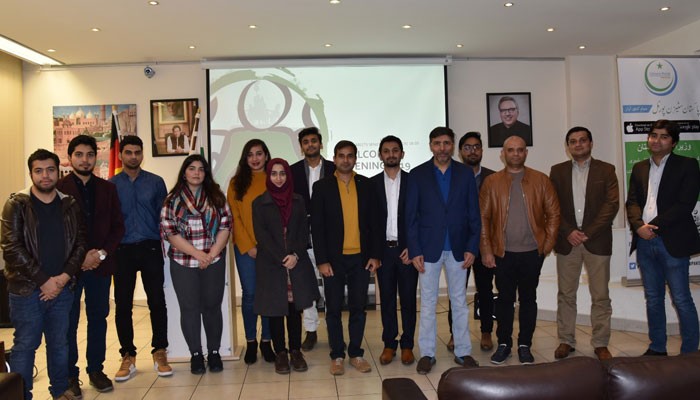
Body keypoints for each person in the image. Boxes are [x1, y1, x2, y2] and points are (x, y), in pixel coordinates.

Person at [2, 149, 87, 400]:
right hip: (26, 290)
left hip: (62, 289)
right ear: (31, 174)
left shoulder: (70, 204)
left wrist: (62, 278)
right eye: (38, 171)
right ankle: (21, 395)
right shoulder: (16, 204)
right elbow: (11, 247)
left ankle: (59, 392)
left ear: (58, 172)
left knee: (59, 343)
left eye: (50, 170)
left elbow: (80, 243)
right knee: (26, 345)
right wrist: (44, 281)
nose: (45, 176)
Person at [406, 127, 481, 375]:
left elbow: (474, 213)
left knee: (459, 302)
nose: (442, 148)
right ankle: (427, 354)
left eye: (447, 143)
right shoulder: (417, 174)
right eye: (437, 143)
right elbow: (411, 217)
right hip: (428, 249)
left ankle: (463, 351)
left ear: (452, 145)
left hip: (459, 248)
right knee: (428, 303)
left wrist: (472, 247)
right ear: (430, 145)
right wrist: (415, 249)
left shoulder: (465, 174)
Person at [480, 135, 560, 365]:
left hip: (532, 253)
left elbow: (554, 214)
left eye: (520, 150)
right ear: (503, 154)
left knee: (528, 300)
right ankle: (504, 343)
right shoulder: (492, 182)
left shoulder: (541, 180)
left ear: (526, 153)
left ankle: (525, 344)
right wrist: (486, 250)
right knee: (504, 300)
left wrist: (546, 246)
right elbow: (483, 218)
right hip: (502, 253)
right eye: (511, 150)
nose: (515, 154)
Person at [57, 135, 125, 395]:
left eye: (89, 155)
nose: (85, 160)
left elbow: (118, 226)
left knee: (98, 318)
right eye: (79, 155)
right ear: (70, 157)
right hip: (69, 269)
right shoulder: (59, 188)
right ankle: (70, 375)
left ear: (96, 157)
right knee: (69, 322)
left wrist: (102, 254)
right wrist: (81, 257)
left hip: (100, 266)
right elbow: (56, 232)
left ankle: (96, 369)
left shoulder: (108, 188)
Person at [626, 119, 700, 355]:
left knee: (681, 298)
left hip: (672, 241)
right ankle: (657, 347)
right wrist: (639, 227)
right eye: (653, 135)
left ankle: (690, 352)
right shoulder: (639, 167)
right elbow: (632, 202)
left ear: (674, 142)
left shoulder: (687, 165)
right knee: (653, 298)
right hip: (644, 241)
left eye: (664, 136)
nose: (657, 140)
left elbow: (685, 204)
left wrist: (653, 226)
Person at [311, 140, 383, 375]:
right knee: (332, 308)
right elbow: (317, 227)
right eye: (341, 155)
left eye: (350, 155)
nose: (345, 160)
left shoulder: (366, 185)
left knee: (358, 308)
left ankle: (355, 353)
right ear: (334, 159)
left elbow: (375, 224)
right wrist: (321, 260)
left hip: (361, 259)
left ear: (355, 158)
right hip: (333, 260)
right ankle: (337, 355)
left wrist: (375, 255)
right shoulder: (322, 187)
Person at [549, 127, 619, 361]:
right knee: (566, 294)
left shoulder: (606, 170)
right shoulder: (557, 171)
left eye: (582, 140)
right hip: (567, 241)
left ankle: (601, 343)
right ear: (567, 146)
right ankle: (566, 340)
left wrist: (587, 232)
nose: (577, 144)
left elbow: (611, 205)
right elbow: (552, 206)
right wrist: (569, 231)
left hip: (596, 241)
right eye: (573, 141)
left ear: (591, 143)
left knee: (601, 295)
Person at [160, 154, 232, 373]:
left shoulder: (217, 197)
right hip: (183, 262)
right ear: (184, 172)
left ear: (206, 173)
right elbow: (170, 233)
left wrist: (210, 255)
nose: (197, 173)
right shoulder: (172, 200)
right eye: (192, 168)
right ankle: (196, 354)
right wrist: (198, 255)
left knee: (212, 307)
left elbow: (226, 226)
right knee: (190, 309)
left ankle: (214, 352)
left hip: (214, 260)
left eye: (201, 169)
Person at [110, 135, 171, 381]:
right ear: (121, 155)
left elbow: (164, 216)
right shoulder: (111, 185)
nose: (133, 156)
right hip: (122, 250)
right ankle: (128, 354)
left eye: (137, 152)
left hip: (150, 247)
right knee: (123, 304)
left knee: (157, 301)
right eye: (128, 152)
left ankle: (160, 350)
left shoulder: (156, 182)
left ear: (142, 154)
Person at [252, 158, 320, 374]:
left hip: (295, 262)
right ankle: (280, 353)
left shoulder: (298, 200)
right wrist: (283, 257)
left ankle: (295, 351)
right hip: (272, 264)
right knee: (275, 310)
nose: (278, 178)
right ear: (268, 176)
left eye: (282, 173)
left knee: (294, 309)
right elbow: (262, 236)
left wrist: (295, 255)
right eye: (274, 174)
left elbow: (303, 232)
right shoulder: (259, 203)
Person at [446, 131, 496, 353]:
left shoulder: (493, 178)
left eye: (476, 147)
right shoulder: (452, 175)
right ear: (460, 152)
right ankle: (455, 334)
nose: (472, 151)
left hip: (485, 245)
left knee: (486, 290)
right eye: (467, 147)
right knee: (456, 292)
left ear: (482, 150)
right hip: (459, 243)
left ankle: (486, 332)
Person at [227, 139, 275, 364]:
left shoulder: (274, 178)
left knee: (269, 294)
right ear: (245, 158)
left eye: (259, 153)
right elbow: (234, 217)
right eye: (250, 154)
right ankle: (251, 342)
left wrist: (269, 247)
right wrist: (249, 246)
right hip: (246, 249)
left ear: (266, 155)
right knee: (250, 295)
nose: (255, 158)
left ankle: (267, 341)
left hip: (271, 249)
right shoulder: (236, 183)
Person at [371, 135, 418, 366]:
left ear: (402, 154)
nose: (391, 154)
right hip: (383, 252)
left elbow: (420, 218)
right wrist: (374, 253)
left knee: (408, 300)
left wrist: (414, 247)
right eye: (387, 151)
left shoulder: (413, 182)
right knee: (387, 300)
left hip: (406, 251)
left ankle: (407, 345)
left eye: (395, 150)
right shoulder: (371, 184)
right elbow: (369, 223)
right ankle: (389, 344)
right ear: (380, 155)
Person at [290, 127, 335, 351]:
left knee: (331, 286)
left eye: (314, 141)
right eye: (306, 142)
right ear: (301, 146)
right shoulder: (292, 171)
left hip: (330, 238)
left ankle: (334, 329)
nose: (310, 145)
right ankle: (311, 331)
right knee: (306, 286)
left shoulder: (335, 169)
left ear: (321, 144)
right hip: (303, 238)